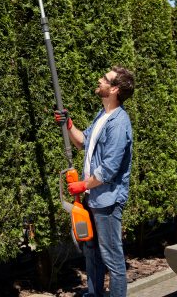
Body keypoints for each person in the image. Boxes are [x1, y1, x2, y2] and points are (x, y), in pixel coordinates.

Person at [54, 65, 135, 297]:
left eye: (105, 79)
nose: (99, 80)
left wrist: (83, 185)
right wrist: (68, 124)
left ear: (115, 89)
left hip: (107, 201)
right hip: (93, 197)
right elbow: (83, 142)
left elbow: (109, 168)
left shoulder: (119, 123)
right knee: (91, 251)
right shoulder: (103, 115)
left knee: (112, 257)